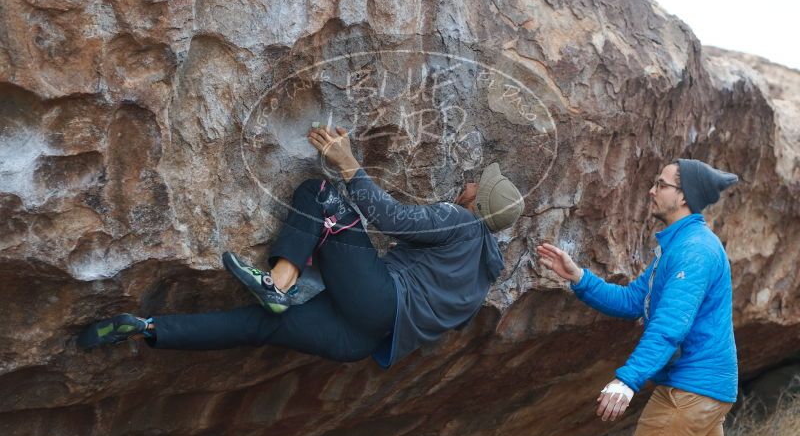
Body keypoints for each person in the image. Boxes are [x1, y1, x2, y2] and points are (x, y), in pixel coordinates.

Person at [78, 126, 524, 369]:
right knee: (259, 327)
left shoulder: (460, 221)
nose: (469, 182)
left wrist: (349, 163)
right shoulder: (483, 276)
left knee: (322, 195)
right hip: (361, 339)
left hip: (379, 302)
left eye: (476, 184)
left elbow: (390, 219)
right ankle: (148, 327)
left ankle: (278, 281)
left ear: (477, 202)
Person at [537, 159, 739, 436]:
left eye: (661, 184)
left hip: (691, 387)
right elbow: (633, 300)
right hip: (708, 387)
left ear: (684, 197)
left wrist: (626, 381)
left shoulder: (694, 251)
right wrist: (578, 277)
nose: (651, 190)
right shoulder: (679, 244)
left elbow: (669, 327)